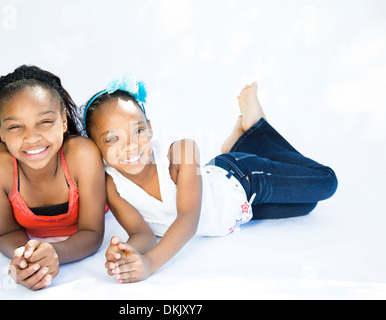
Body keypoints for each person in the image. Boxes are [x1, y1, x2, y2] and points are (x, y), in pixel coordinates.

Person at [82, 77, 338, 283]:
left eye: (138, 131)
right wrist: (129, 252)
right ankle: (239, 143)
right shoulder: (112, 184)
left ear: (150, 127)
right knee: (306, 205)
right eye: (112, 139)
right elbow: (142, 234)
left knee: (326, 182)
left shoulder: (182, 152)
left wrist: (150, 263)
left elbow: (188, 220)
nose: (130, 147)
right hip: (243, 210)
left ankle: (255, 131)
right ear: (95, 147)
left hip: (244, 179)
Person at [0, 65, 106, 290]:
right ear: (1, 131)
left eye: (45, 122)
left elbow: (92, 232)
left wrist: (55, 253)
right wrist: (27, 260)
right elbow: (5, 233)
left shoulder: (83, 154)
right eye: (15, 126)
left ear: (63, 121)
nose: (32, 137)